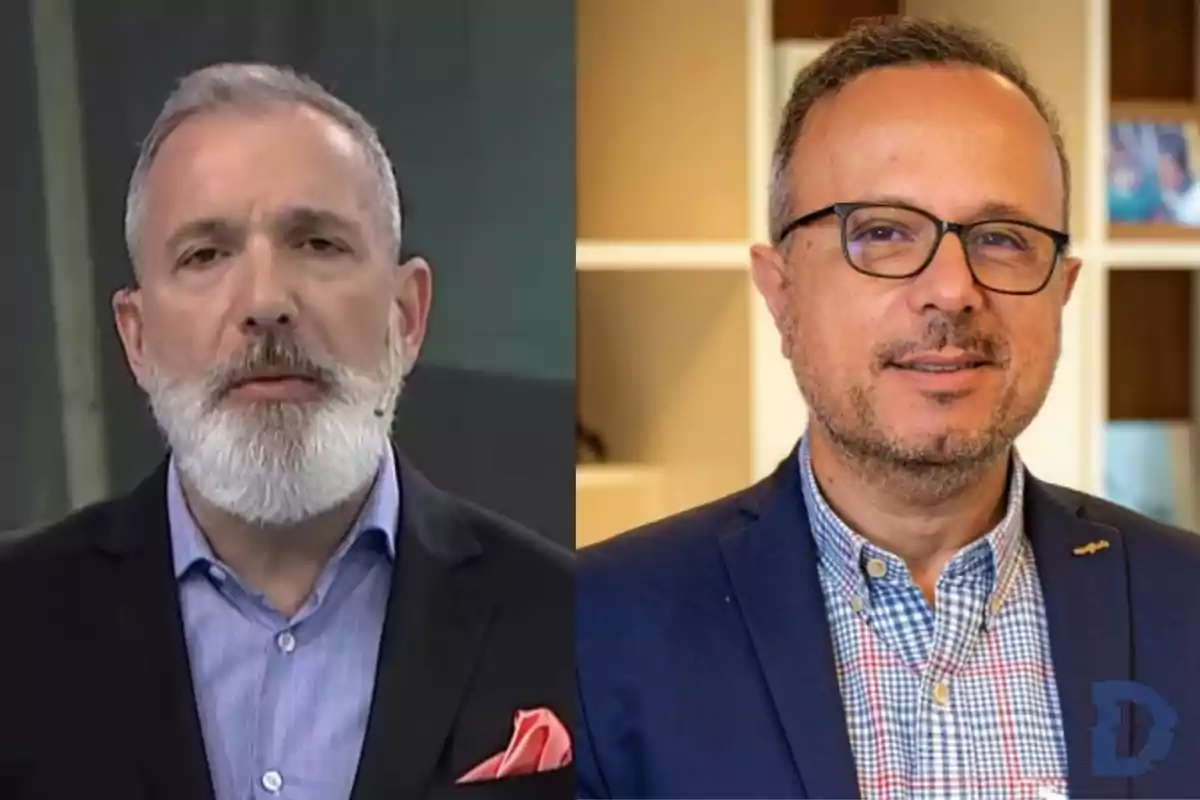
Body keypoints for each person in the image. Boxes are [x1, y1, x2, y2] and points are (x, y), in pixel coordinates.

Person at [576, 18, 1200, 800]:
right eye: (881, 233)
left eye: (1003, 238)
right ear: (781, 293)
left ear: (1062, 293)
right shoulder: (592, 632)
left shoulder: (1186, 605)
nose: (952, 288)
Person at [0, 63, 573, 800]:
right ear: (136, 337)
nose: (267, 301)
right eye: (205, 255)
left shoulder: (568, 621)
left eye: (318, 244)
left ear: (407, 316)